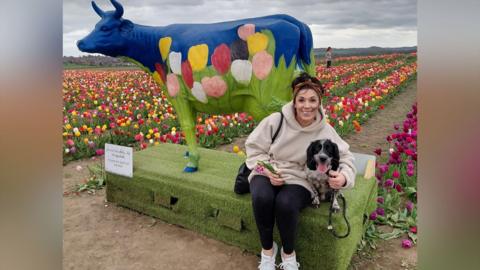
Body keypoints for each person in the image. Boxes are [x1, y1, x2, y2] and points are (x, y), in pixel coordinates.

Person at [245, 72, 356, 270]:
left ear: (319, 102)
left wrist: (344, 176)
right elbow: (253, 149)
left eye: (313, 100)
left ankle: (288, 256)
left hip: (300, 177)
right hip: (268, 169)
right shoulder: (276, 120)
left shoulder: (325, 130)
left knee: (286, 204)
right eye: (302, 100)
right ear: (294, 102)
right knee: (262, 198)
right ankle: (268, 253)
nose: (307, 105)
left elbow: (346, 157)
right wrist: (268, 171)